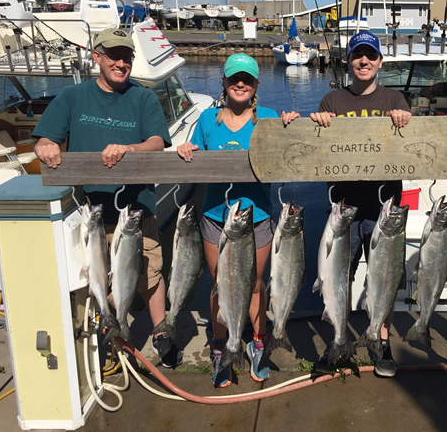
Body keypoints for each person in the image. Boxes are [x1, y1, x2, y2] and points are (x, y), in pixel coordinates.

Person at [32, 27, 182, 368]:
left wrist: (129, 148)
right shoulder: (72, 97)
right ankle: (109, 336)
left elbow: (158, 142)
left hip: (136, 209)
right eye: (114, 55)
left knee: (151, 271)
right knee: (95, 278)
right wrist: (46, 145)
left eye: (126, 56)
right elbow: (44, 138)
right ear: (96, 56)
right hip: (92, 214)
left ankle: (159, 331)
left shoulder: (142, 97)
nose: (121, 62)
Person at [177, 53, 298, 388]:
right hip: (216, 218)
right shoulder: (207, 119)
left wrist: (292, 124)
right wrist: (186, 150)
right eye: (234, 79)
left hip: (257, 218)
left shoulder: (269, 118)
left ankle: (257, 344)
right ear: (224, 84)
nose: (240, 84)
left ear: (256, 85)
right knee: (221, 286)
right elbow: (193, 154)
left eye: (247, 79)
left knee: (254, 285)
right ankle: (222, 347)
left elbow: (292, 151)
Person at [309, 31, 411, 377]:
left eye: (370, 55)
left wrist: (405, 121)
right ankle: (338, 338)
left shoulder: (395, 98)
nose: (363, 61)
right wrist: (318, 124)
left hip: (384, 210)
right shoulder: (332, 101)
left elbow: (410, 145)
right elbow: (316, 148)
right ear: (348, 61)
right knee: (338, 276)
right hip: (344, 208)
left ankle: (380, 342)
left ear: (380, 61)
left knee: (385, 277)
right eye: (357, 55)